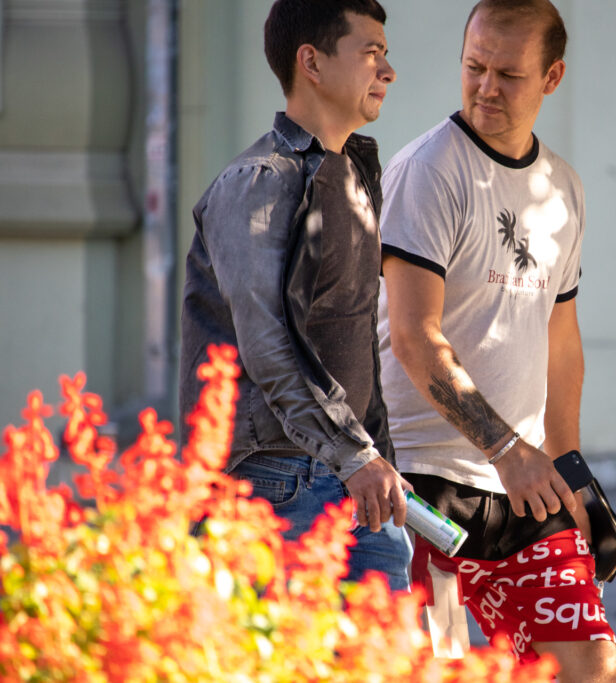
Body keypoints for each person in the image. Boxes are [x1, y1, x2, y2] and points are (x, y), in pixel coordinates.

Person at [377, 0, 616, 679]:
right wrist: (508, 448)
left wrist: (566, 464)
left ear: (553, 76)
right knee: (451, 666)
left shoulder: (563, 190)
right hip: (426, 491)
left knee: (592, 665)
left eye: (508, 74)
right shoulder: (429, 170)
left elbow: (561, 337)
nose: (486, 86)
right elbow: (412, 337)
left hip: (526, 489)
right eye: (474, 67)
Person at [179, 0, 412, 590]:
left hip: (353, 472)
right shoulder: (257, 182)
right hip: (275, 480)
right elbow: (266, 343)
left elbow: (353, 334)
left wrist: (375, 453)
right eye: (370, 52)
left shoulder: (354, 174)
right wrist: (356, 455)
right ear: (311, 61)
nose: (387, 71)